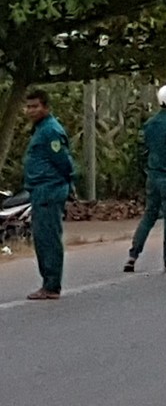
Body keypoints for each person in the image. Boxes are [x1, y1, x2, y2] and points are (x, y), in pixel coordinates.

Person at [124, 85, 166, 273]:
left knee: (149, 215)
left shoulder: (150, 124)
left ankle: (132, 255)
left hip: (153, 176)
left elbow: (142, 149)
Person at [22, 89, 76, 300]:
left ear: (46, 107)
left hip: (49, 189)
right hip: (40, 189)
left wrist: (67, 183)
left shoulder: (50, 131)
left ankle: (52, 285)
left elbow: (63, 161)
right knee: (41, 238)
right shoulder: (40, 130)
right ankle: (49, 282)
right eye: (28, 106)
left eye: (35, 106)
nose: (31, 111)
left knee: (48, 238)